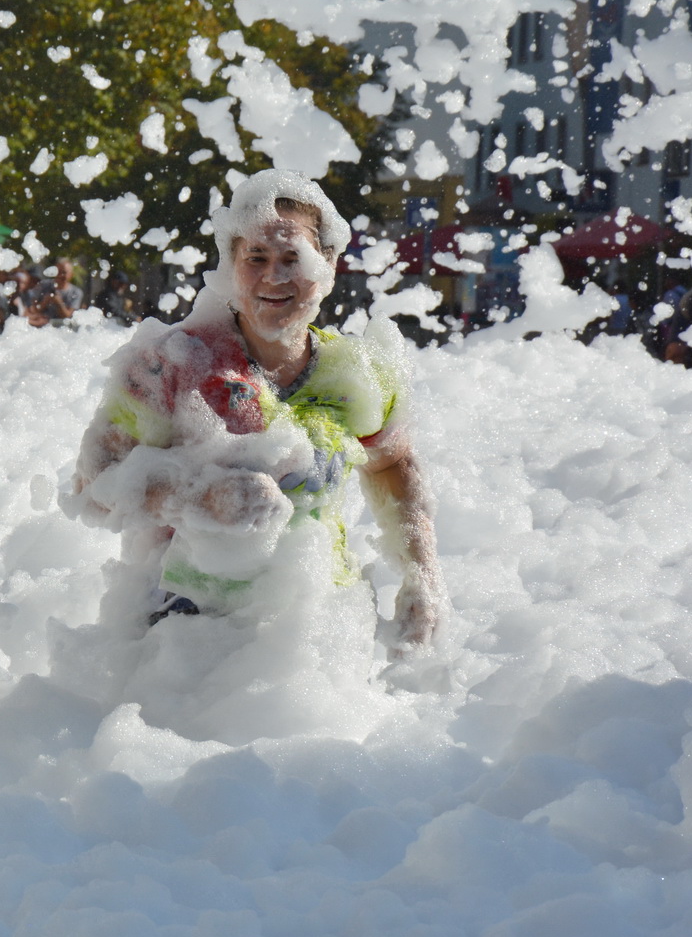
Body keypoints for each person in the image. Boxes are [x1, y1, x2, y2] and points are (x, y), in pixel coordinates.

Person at [66, 168, 445, 660]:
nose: (274, 276)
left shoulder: (358, 375)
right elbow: (93, 485)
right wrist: (197, 498)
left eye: (293, 258)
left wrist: (422, 576)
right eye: (257, 258)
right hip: (180, 637)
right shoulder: (173, 364)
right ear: (230, 264)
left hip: (314, 631)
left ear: (327, 264)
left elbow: (393, 464)